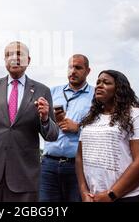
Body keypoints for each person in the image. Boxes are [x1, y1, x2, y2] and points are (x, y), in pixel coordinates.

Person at [0, 41, 59, 202]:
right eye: (8, 55)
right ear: (4, 60)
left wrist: (44, 119)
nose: (14, 58)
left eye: (19, 54)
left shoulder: (42, 90)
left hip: (23, 176)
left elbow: (52, 135)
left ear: (28, 60)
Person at [76, 70, 139, 202]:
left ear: (119, 89)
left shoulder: (135, 115)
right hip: (94, 197)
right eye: (98, 82)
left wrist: (111, 194)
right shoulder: (91, 119)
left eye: (106, 82)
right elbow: (80, 157)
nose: (99, 86)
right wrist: (84, 192)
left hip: (130, 196)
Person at [40, 54, 94, 202]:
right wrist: (51, 121)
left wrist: (78, 127)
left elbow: (101, 128)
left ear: (88, 71)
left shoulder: (96, 96)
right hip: (48, 164)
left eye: (78, 67)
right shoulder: (52, 92)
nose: (73, 71)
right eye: (70, 67)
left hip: (77, 167)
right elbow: (41, 124)